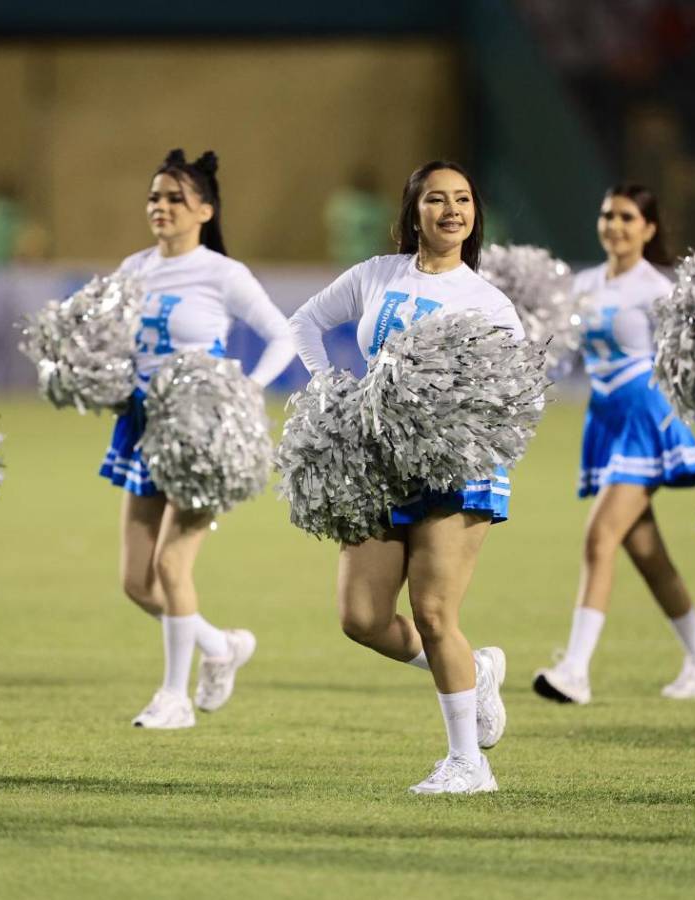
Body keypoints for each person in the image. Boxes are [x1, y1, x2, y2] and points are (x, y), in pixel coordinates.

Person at [289, 161, 518, 794]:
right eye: (436, 199)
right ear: (413, 211)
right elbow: (305, 322)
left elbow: (513, 394)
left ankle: (469, 764)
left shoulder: (488, 301)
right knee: (361, 617)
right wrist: (330, 389)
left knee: (434, 611)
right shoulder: (376, 275)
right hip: (379, 460)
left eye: (463, 199)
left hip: (457, 466)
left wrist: (454, 426)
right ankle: (474, 672)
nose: (452, 211)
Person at [104, 149, 295, 729]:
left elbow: (283, 336)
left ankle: (175, 698)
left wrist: (247, 390)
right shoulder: (133, 268)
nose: (160, 207)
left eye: (175, 199)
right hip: (143, 426)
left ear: (205, 211)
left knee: (170, 565)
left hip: (201, 431)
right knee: (137, 583)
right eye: (154, 197)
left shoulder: (222, 274)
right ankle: (220, 645)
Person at [533, 184, 695, 706]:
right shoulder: (583, 284)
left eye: (626, 217)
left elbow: (688, 359)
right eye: (608, 215)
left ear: (648, 228)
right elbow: (562, 356)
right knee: (646, 553)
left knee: (600, 536)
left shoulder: (657, 289)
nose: (615, 225)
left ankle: (575, 672)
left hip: (645, 416)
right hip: (606, 416)